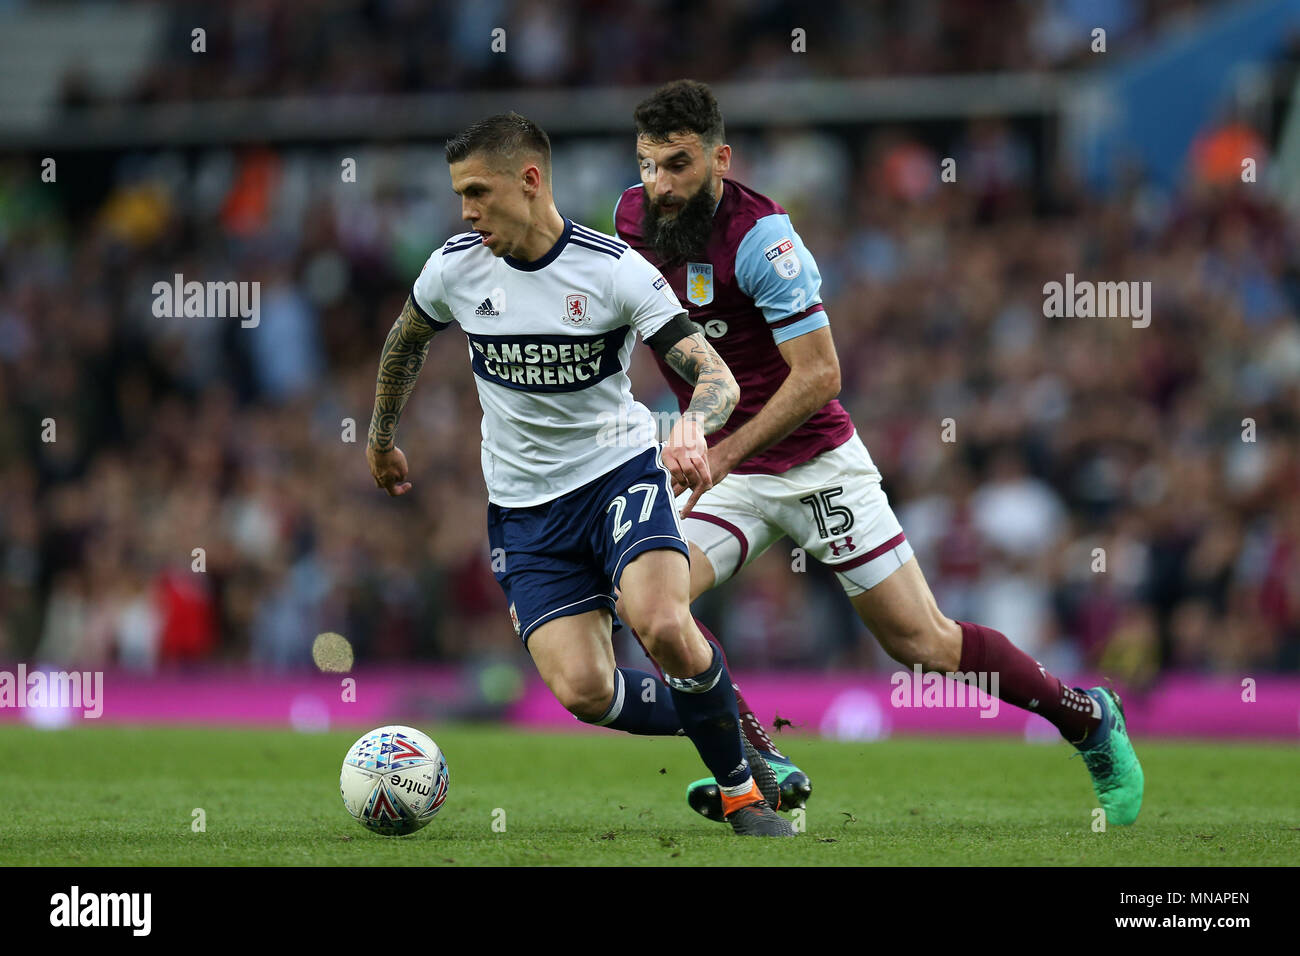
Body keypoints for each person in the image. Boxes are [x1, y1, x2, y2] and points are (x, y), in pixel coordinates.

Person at [613, 80, 1144, 826]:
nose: (658, 185)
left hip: (813, 461)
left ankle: (1088, 717)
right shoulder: (630, 220)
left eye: (677, 164)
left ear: (720, 159)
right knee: (653, 606)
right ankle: (756, 759)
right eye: (646, 165)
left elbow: (822, 374)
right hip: (724, 462)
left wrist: (725, 448)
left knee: (920, 641)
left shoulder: (764, 238)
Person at [365, 112, 794, 836]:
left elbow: (715, 377)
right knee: (586, 692)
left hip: (617, 474)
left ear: (529, 180)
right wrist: (380, 437)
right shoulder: (454, 267)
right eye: (458, 194)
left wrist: (690, 424)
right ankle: (730, 731)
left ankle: (743, 796)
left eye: (477, 192)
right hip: (525, 508)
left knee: (659, 621)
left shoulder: (612, 271)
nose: (466, 211)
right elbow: (405, 342)